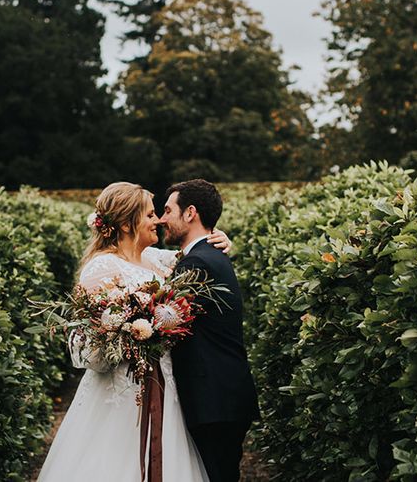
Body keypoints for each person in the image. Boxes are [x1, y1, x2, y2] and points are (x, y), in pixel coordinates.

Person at [36, 181, 231, 482]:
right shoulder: (100, 268)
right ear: (127, 224)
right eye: (151, 215)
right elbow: (86, 345)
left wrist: (218, 238)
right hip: (122, 390)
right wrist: (127, 336)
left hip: (166, 384)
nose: (159, 221)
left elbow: (196, 253)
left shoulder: (156, 259)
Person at [160, 179, 260, 482]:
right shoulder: (208, 255)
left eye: (167, 210)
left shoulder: (197, 263)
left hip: (212, 398)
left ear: (190, 213)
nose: (162, 219)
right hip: (221, 395)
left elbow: (166, 322)